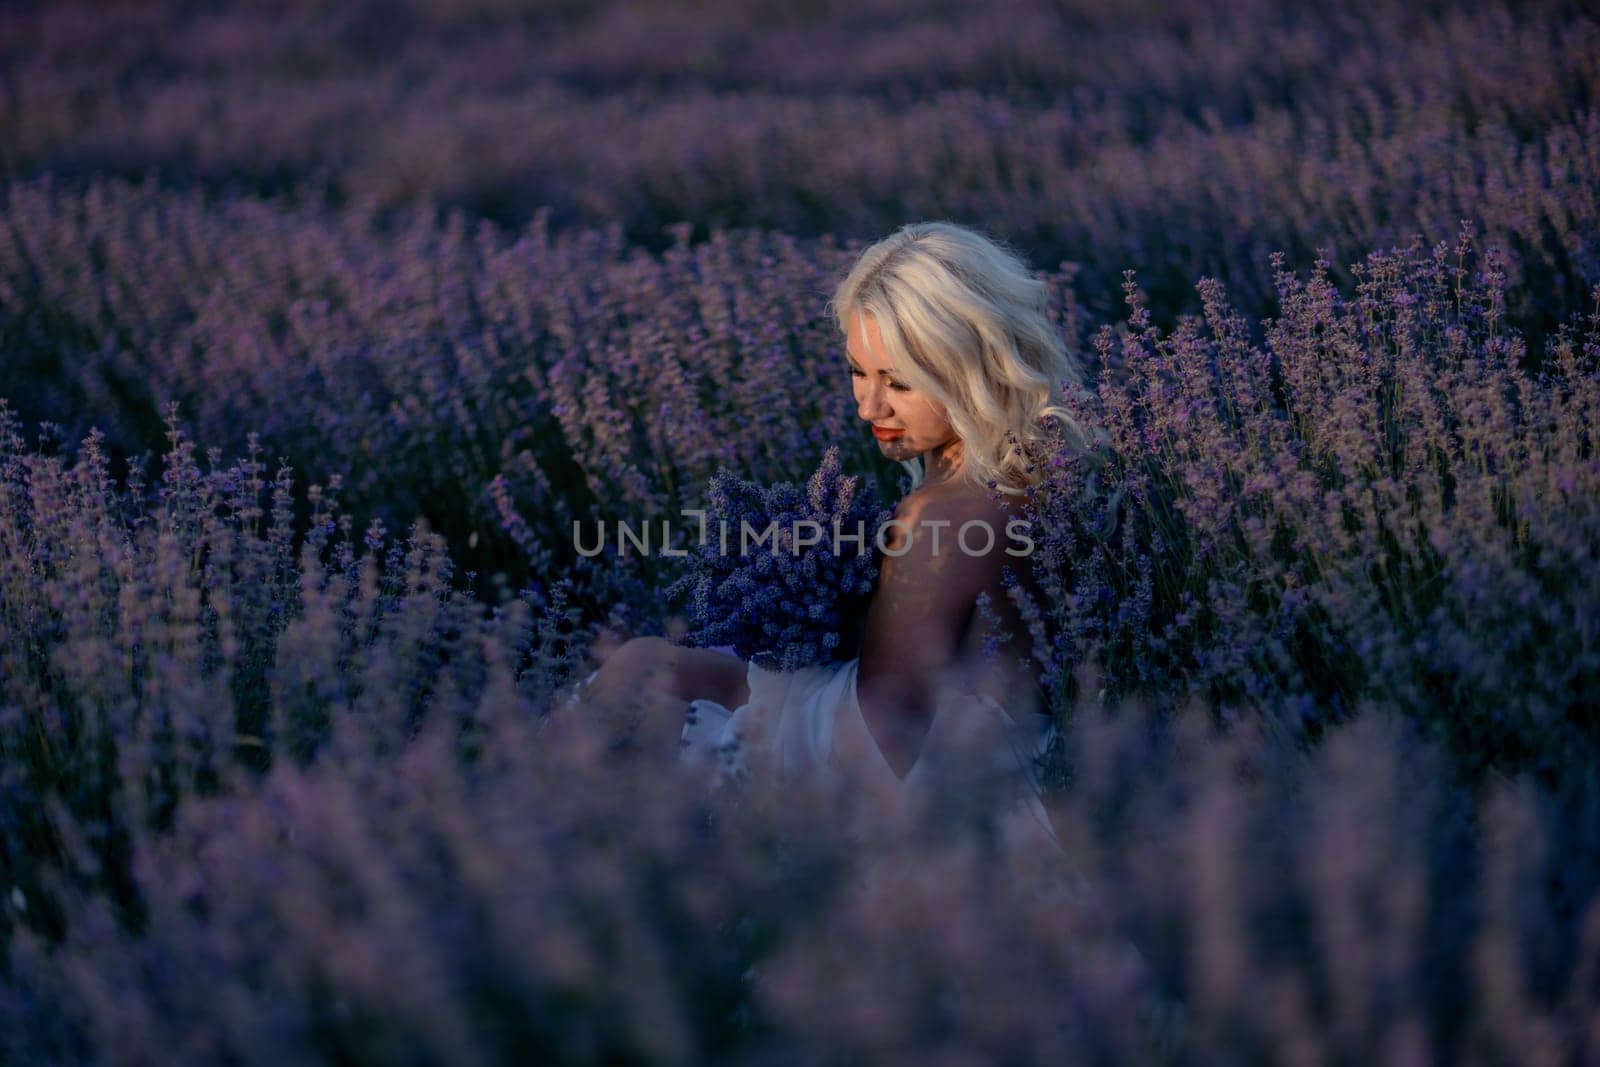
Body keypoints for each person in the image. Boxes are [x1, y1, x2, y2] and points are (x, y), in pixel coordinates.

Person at [572, 221, 1093, 851]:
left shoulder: (945, 511)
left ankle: (518, 838)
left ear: (971, 366)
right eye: (857, 371)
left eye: (899, 383)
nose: (868, 407)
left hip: (906, 769)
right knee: (659, 664)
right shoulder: (1030, 467)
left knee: (638, 671)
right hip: (968, 742)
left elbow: (880, 737)